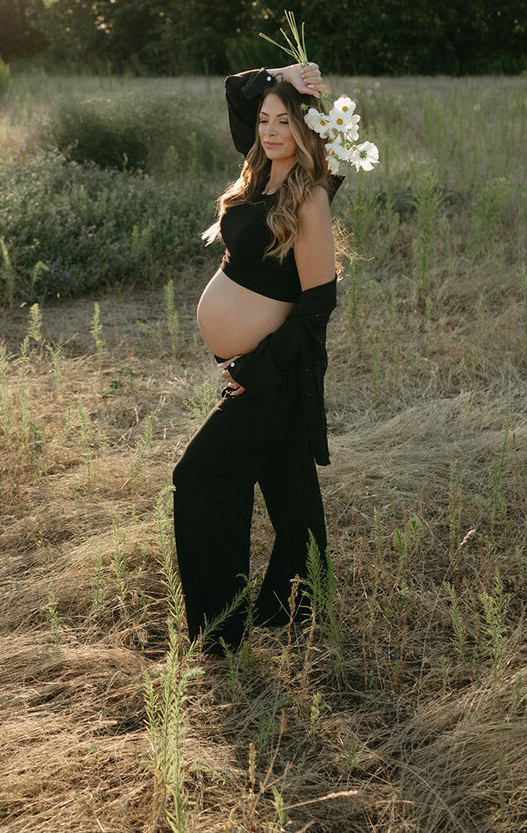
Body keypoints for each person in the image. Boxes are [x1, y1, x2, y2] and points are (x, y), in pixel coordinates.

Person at [172, 61, 342, 658]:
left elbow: (319, 304)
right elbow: (234, 92)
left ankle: (219, 634)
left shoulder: (309, 196)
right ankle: (294, 609)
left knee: (197, 480)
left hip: (272, 379)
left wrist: (254, 369)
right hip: (255, 375)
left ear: (306, 128)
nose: (269, 130)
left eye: (283, 121)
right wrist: (278, 74)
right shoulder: (259, 176)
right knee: (289, 490)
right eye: (264, 119)